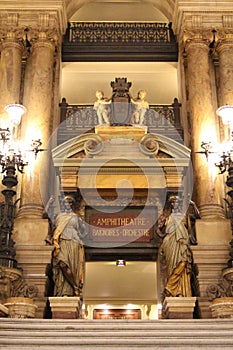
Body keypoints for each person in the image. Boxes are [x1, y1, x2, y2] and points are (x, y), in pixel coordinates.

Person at [156, 196, 193, 298]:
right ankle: (175, 290)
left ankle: (170, 287)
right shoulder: (166, 217)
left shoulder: (185, 216)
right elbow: (158, 230)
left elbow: (191, 229)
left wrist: (193, 205)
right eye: (173, 202)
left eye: (177, 202)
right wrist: (164, 236)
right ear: (171, 205)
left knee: (182, 263)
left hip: (182, 242)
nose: (175, 204)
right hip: (170, 242)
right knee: (172, 266)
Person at [52, 196, 87, 297]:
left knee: (71, 267)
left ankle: (70, 290)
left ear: (72, 204)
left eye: (69, 202)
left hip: (74, 243)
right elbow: (45, 217)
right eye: (65, 202)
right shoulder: (59, 216)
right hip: (62, 241)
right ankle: (75, 286)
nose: (67, 204)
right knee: (62, 264)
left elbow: (84, 231)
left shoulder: (76, 217)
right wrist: (50, 204)